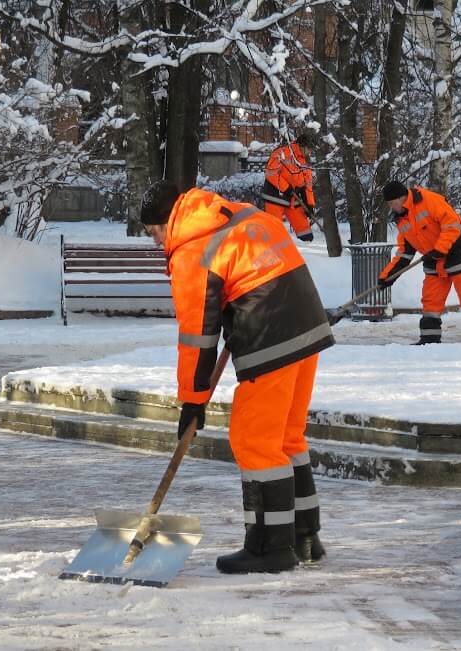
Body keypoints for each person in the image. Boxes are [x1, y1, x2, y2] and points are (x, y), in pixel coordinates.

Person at [140, 180, 335, 574]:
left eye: (153, 234)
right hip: (308, 325)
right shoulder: (237, 215)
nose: (157, 243)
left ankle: (270, 547)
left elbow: (197, 336)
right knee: (285, 437)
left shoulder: (193, 249)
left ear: (166, 222)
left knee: (254, 439)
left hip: (270, 333)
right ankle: (304, 537)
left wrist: (193, 400)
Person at [377, 180, 461, 344]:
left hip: (458, 252)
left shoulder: (428, 200)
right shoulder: (401, 219)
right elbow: (405, 251)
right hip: (433, 258)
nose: (391, 207)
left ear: (401, 197)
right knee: (431, 301)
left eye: (392, 202)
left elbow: (452, 224)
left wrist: (440, 249)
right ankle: (429, 340)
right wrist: (388, 276)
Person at [260, 132, 316, 242]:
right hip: (275, 197)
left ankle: (307, 250)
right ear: (302, 145)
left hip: (293, 198)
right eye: (310, 149)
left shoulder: (305, 160)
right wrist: (286, 188)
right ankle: (273, 254)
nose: (311, 152)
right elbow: (271, 174)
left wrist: (309, 204)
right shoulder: (282, 152)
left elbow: (308, 183)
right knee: (273, 231)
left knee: (305, 231)